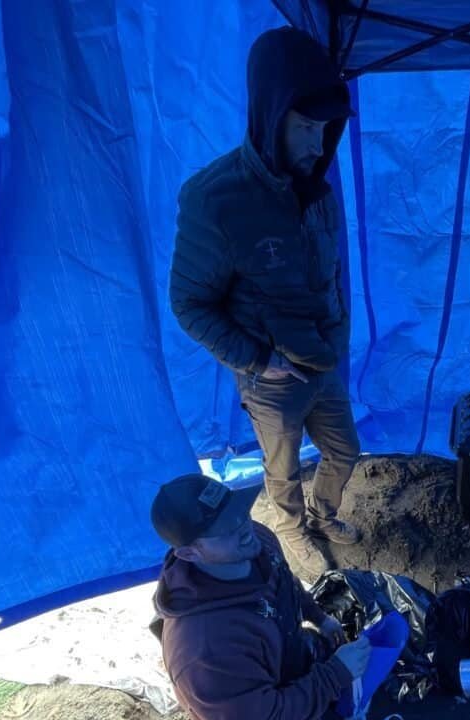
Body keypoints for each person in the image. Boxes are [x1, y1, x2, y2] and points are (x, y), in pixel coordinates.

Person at [169, 26, 361, 582]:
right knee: (282, 473)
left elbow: (331, 277)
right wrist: (260, 361)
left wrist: (334, 341)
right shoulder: (215, 199)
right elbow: (190, 304)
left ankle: (323, 518)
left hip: (323, 363)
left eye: (327, 131)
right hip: (272, 380)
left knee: (345, 451)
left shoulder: (316, 186)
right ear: (269, 114)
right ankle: (294, 531)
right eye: (304, 128)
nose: (317, 146)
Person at [149, 473, 371, 720]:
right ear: (189, 554)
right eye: (224, 528)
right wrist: (334, 674)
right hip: (247, 715)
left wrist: (320, 618)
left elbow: (285, 581)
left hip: (277, 654)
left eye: (239, 511)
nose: (242, 526)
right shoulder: (204, 649)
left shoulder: (255, 541)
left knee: (337, 661)